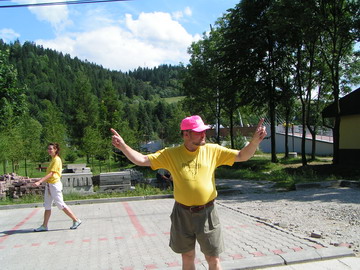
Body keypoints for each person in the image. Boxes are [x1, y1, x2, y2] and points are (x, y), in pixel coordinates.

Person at [111, 115, 266, 270]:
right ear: (186, 134)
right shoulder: (171, 154)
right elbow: (143, 160)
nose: (203, 134)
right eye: (199, 132)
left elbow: (241, 155)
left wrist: (254, 142)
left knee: (213, 258)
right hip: (182, 213)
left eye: (204, 131)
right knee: (187, 256)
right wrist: (124, 147)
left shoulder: (213, 151)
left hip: (207, 213)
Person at [33, 143, 82, 232]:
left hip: (55, 185)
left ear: (55, 150)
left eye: (51, 149)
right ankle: (44, 226)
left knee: (60, 204)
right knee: (47, 205)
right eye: (48, 149)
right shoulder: (52, 159)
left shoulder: (57, 160)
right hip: (49, 185)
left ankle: (76, 220)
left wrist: (40, 181)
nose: (49, 150)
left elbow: (52, 173)